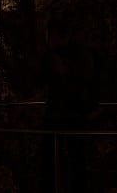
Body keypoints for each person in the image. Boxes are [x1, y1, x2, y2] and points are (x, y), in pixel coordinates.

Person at [40, 18, 100, 192]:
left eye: (52, 37)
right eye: (48, 37)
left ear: (64, 36)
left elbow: (83, 80)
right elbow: (42, 79)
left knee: (76, 159)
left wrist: (65, 72)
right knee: (51, 159)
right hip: (55, 114)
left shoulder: (81, 55)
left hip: (74, 114)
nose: (49, 41)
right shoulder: (49, 56)